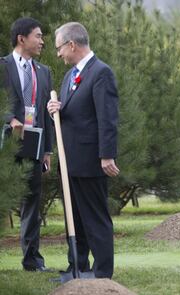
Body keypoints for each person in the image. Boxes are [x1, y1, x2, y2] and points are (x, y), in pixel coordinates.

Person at [47, 22, 119, 278]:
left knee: (95, 218)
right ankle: (77, 268)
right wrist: (58, 109)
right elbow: (76, 111)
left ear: (72, 45)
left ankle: (102, 273)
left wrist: (106, 155)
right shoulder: (70, 75)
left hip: (90, 160)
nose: (58, 54)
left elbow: (107, 117)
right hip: (70, 161)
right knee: (74, 219)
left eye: (59, 48)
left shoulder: (101, 73)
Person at [0, 17, 53, 272]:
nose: (42, 41)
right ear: (22, 39)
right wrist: (10, 119)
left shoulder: (44, 72)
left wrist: (48, 151)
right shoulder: (2, 67)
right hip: (6, 145)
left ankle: (32, 261)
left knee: (32, 202)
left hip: (34, 145)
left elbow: (45, 115)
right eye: (38, 36)